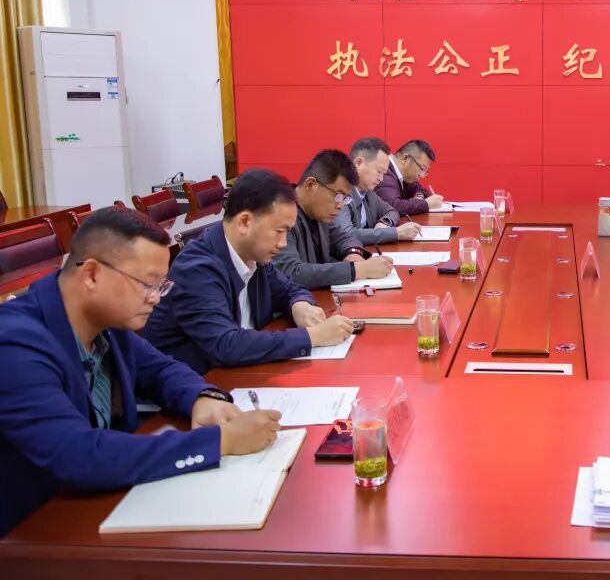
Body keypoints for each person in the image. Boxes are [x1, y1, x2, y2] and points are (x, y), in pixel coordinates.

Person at [0, 207, 282, 536]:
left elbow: (160, 368)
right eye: (148, 284)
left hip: (104, 506)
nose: (156, 299)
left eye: (161, 286)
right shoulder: (14, 345)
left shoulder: (104, 319)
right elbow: (79, 454)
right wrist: (221, 441)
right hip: (35, 530)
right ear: (91, 274)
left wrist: (201, 398)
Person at [143, 169, 355, 374]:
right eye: (279, 231)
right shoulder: (196, 269)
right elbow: (226, 345)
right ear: (244, 222)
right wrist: (312, 336)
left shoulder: (254, 256)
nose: (283, 243)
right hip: (200, 385)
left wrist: (300, 305)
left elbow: (290, 288)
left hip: (246, 373)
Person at [272, 149, 393, 289]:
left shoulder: (319, 213)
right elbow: (291, 273)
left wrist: (353, 253)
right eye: (338, 196)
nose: (340, 205)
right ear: (311, 185)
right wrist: (358, 270)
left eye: (345, 199)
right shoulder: (281, 215)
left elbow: (343, 237)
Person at [335, 137, 421, 246]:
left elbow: (392, 211)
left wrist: (384, 222)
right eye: (379, 172)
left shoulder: (368, 192)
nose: (381, 179)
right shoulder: (339, 192)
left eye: (383, 174)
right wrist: (395, 233)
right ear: (358, 163)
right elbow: (347, 234)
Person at [375, 139, 445, 216]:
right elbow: (393, 206)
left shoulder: (405, 176)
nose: (422, 175)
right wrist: (426, 204)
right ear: (405, 159)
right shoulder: (385, 172)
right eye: (422, 169)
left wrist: (419, 196)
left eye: (425, 171)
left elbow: (419, 188)